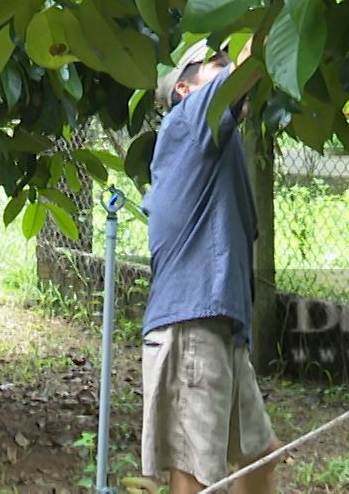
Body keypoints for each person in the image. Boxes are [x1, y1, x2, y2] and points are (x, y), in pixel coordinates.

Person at [140, 37, 279, 493]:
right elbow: (249, 63)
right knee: (195, 473)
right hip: (191, 326)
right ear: (185, 89)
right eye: (215, 60)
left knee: (258, 458)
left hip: (220, 328)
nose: (226, 62)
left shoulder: (215, 145)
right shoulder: (187, 120)